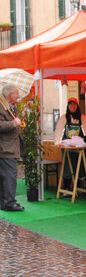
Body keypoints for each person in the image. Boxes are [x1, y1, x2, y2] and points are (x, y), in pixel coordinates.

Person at [54, 97, 86, 193]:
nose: (72, 106)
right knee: (67, 166)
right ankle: (66, 187)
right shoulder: (63, 117)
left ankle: (77, 187)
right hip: (66, 147)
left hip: (79, 147)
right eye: (70, 104)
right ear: (68, 106)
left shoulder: (82, 117)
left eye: (74, 104)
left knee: (78, 165)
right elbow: (58, 130)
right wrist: (57, 142)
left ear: (77, 106)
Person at [0, 84, 25, 212]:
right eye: (16, 93)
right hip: (6, 148)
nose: (18, 96)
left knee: (6, 175)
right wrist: (12, 123)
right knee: (10, 175)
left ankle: (4, 202)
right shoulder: (1, 106)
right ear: (10, 95)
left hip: (11, 147)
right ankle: (9, 202)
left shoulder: (12, 107)